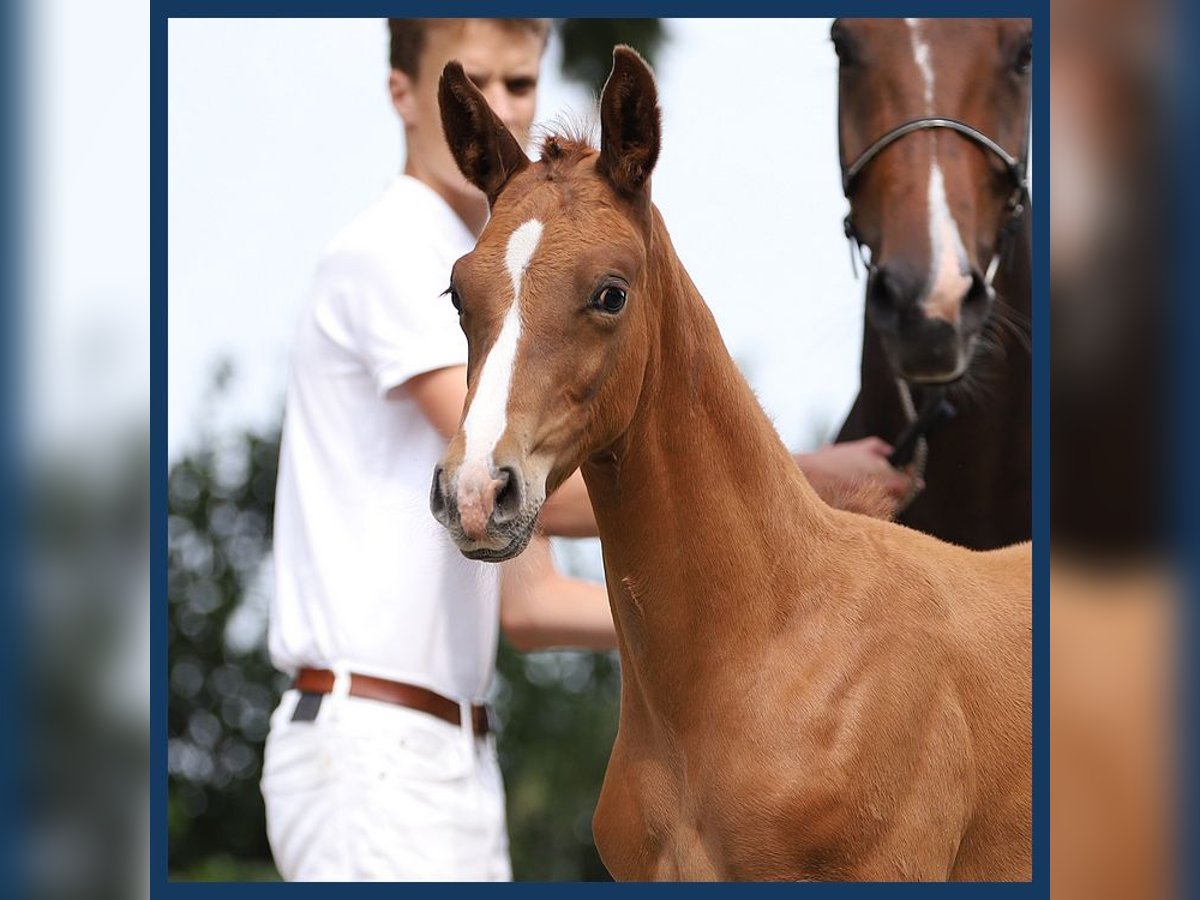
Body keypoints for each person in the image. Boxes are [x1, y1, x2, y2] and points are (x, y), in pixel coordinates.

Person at [261, 17, 913, 883]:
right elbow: (512, 486)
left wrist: (750, 624)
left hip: (445, 751)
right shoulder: (393, 251)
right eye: (477, 86)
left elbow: (529, 608)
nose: (502, 108)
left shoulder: (527, 291)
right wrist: (801, 484)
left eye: (521, 85)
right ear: (407, 97)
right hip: (373, 743)